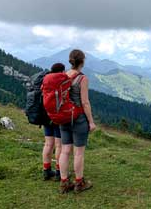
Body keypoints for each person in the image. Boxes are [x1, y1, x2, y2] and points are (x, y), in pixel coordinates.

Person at [59, 49, 97, 194]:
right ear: (82, 61)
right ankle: (79, 183)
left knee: (65, 151)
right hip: (79, 118)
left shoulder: (63, 76)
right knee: (78, 153)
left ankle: (64, 183)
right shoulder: (82, 79)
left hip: (64, 118)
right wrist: (91, 122)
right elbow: (85, 102)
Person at [42, 63, 66, 181]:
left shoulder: (45, 80)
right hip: (56, 116)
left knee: (48, 144)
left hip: (45, 116)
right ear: (61, 71)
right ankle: (58, 172)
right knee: (58, 145)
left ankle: (46, 171)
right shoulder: (60, 80)